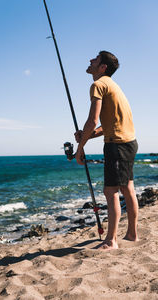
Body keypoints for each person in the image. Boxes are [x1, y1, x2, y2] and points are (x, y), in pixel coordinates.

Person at [75, 50, 138, 250]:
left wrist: (80, 148)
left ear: (102, 67)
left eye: (95, 59)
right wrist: (89, 135)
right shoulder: (113, 86)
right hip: (128, 143)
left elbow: (93, 120)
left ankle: (111, 241)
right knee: (127, 189)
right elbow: (109, 123)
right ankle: (132, 234)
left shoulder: (98, 84)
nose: (90, 60)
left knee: (110, 191)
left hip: (117, 146)